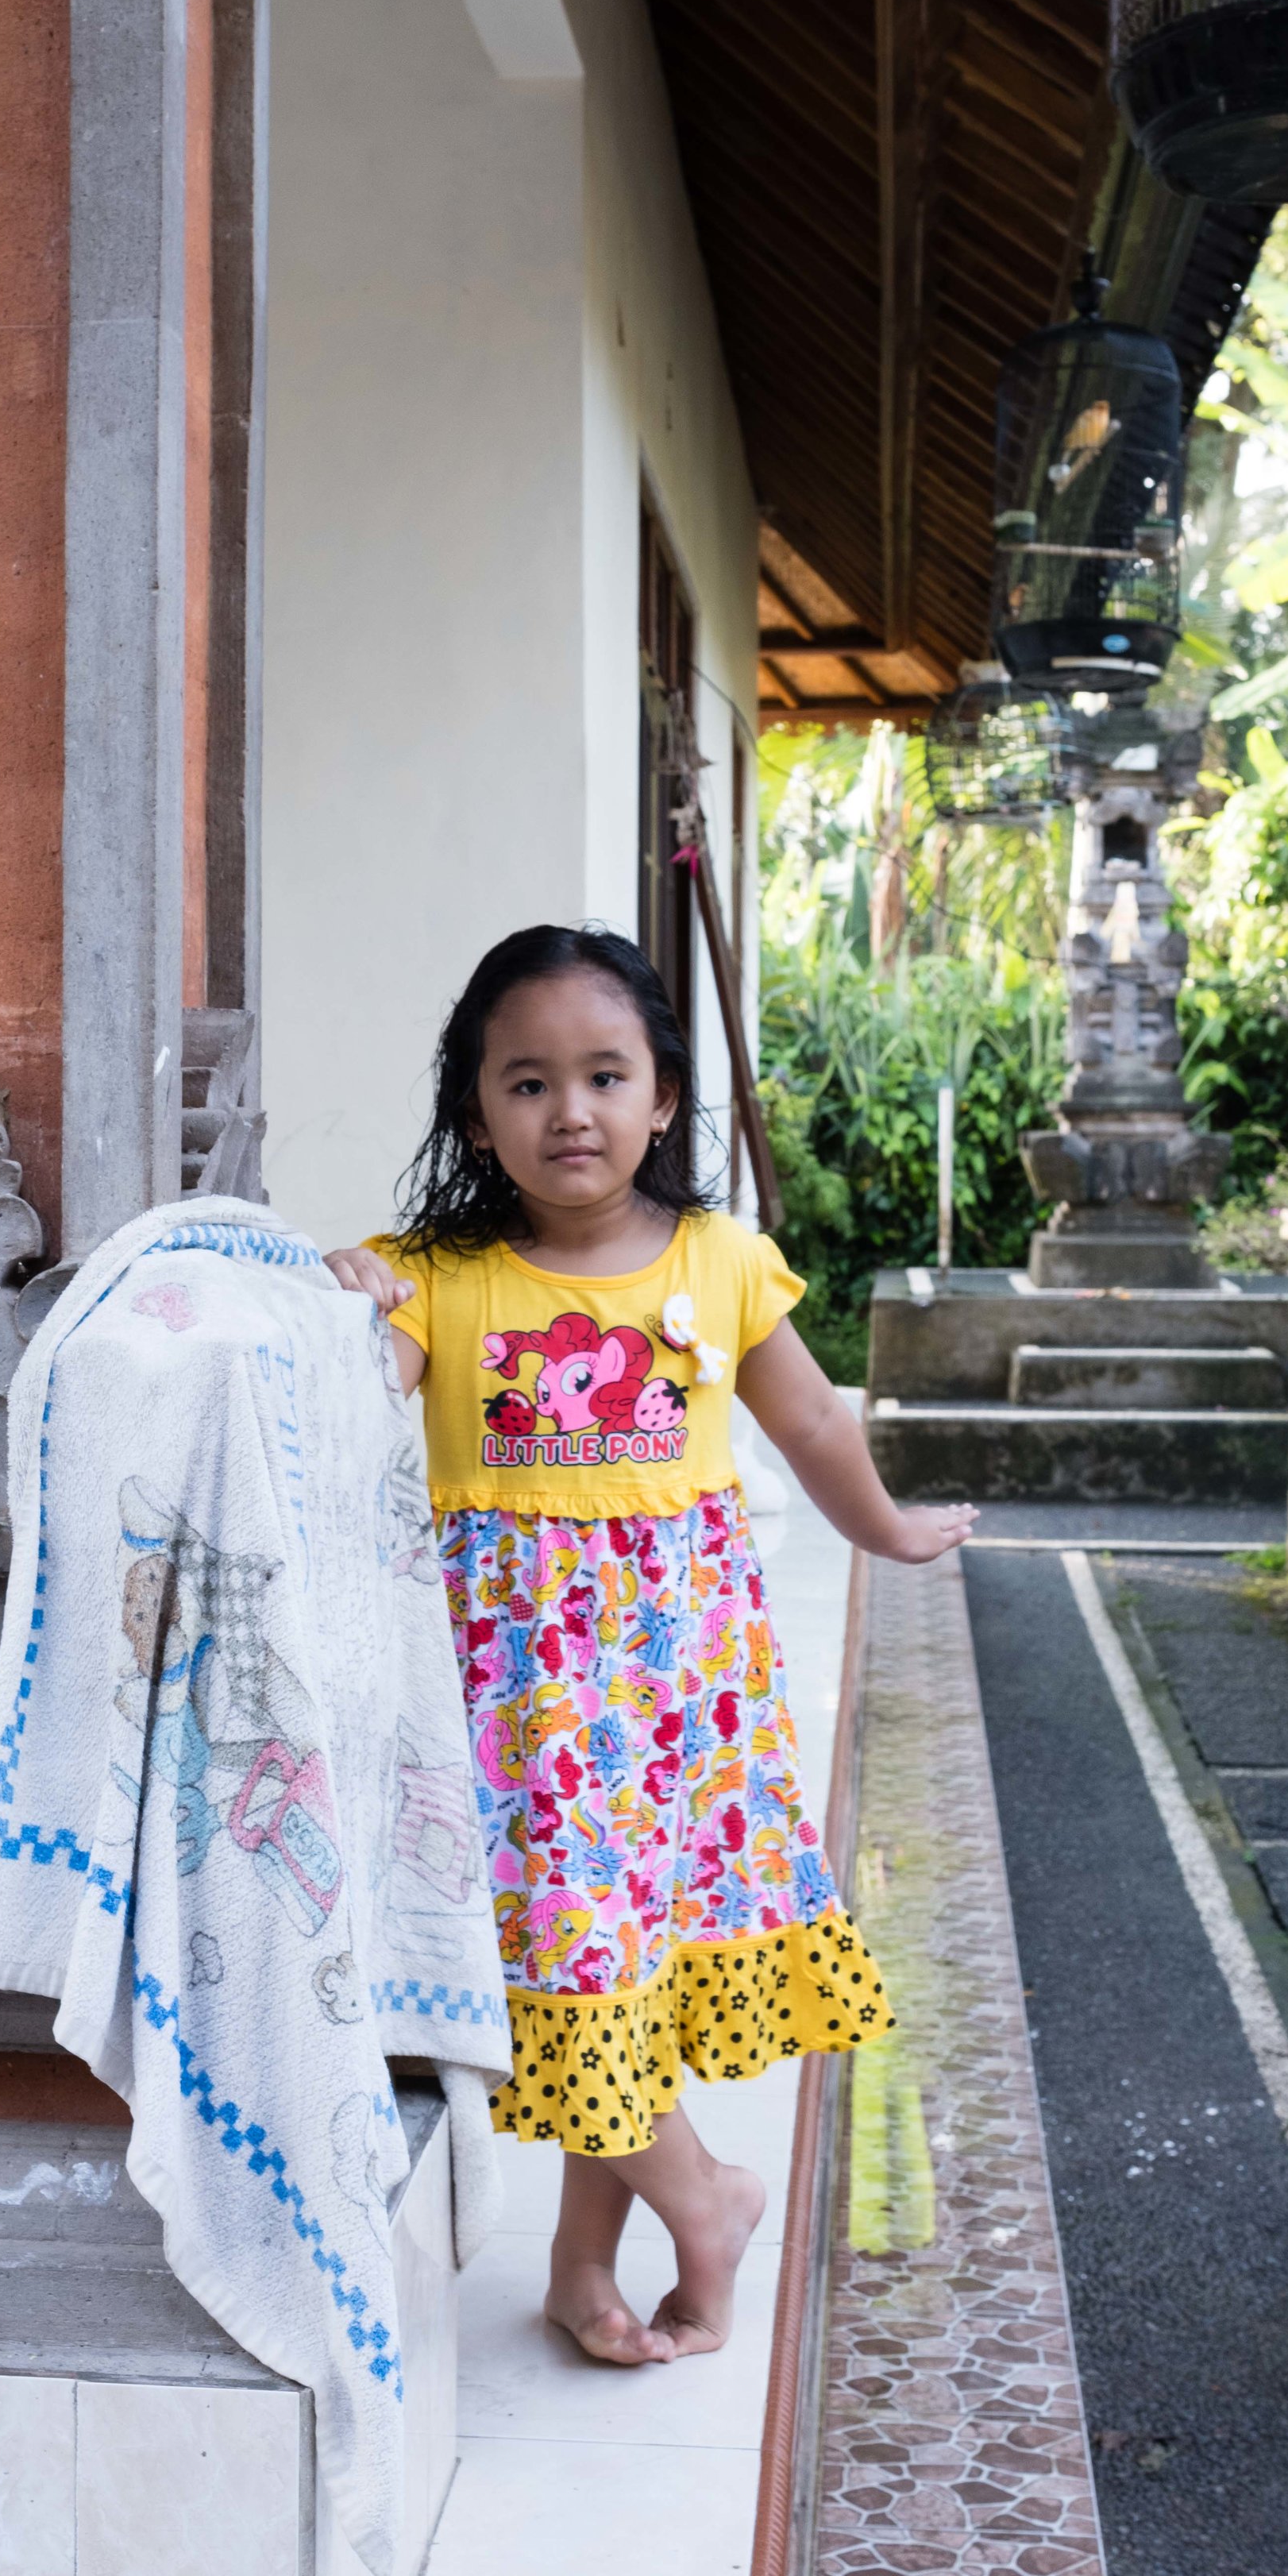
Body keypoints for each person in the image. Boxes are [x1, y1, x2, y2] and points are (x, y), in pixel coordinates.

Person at [325, 924, 975, 2367]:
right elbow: (331, 1381)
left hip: (681, 1700)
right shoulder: (431, 1278)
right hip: (520, 1716)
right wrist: (336, 1294)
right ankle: (708, 2196)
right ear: (477, 1111)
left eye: (605, 1075)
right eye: (529, 1081)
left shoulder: (722, 1260)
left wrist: (883, 1526)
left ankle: (579, 2263)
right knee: (565, 1972)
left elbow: (811, 1421)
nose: (571, 1109)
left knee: (619, 1970)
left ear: (664, 1097)